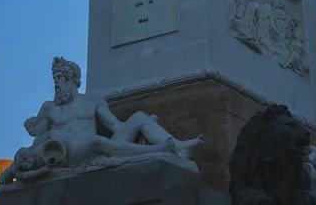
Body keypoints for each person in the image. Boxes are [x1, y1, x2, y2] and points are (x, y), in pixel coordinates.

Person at [19, 57, 205, 170]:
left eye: (60, 78)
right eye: (55, 79)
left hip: (100, 147)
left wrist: (147, 125)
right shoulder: (49, 108)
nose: (56, 83)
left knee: (139, 117)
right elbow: (38, 142)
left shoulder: (93, 100)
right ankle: (160, 150)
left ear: (73, 80)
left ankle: (179, 147)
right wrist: (44, 132)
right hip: (72, 155)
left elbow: (116, 126)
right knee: (97, 141)